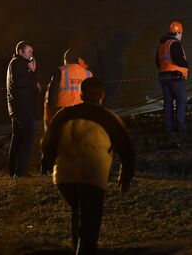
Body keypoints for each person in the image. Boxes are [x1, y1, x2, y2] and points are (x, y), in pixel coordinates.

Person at [41, 77, 135, 255]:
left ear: (81, 94)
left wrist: (51, 160)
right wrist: (125, 176)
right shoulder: (109, 118)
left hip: (64, 177)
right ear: (102, 95)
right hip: (93, 175)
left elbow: (46, 144)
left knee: (78, 213)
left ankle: (77, 246)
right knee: (89, 225)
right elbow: (126, 149)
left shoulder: (63, 115)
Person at [6, 40, 39, 177]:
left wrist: (31, 72)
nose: (31, 54)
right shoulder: (18, 63)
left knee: (18, 138)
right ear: (21, 52)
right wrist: (33, 80)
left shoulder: (16, 63)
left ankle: (13, 170)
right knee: (29, 137)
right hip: (22, 106)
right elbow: (20, 82)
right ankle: (20, 172)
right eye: (29, 52)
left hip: (17, 106)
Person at [44, 49, 93, 129]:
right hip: (81, 112)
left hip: (62, 112)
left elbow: (53, 92)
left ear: (65, 60)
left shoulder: (60, 71)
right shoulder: (88, 73)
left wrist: (51, 107)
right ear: (78, 60)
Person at [156, 21, 189, 133]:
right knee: (181, 101)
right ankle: (181, 127)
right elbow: (178, 59)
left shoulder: (162, 45)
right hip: (176, 77)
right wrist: (186, 65)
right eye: (181, 33)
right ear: (178, 32)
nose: (181, 36)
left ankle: (168, 128)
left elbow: (157, 62)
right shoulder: (174, 44)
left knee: (168, 103)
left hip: (163, 76)